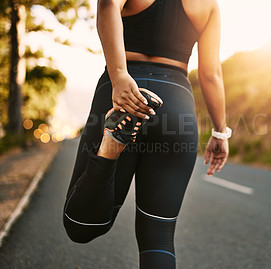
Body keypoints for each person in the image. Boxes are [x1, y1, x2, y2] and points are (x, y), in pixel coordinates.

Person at [62, 0, 230, 268]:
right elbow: (211, 75)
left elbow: (107, 6)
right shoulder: (208, 5)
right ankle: (110, 149)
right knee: (158, 238)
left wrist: (118, 76)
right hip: (176, 105)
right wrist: (221, 133)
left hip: (122, 97)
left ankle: (109, 151)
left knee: (81, 227)